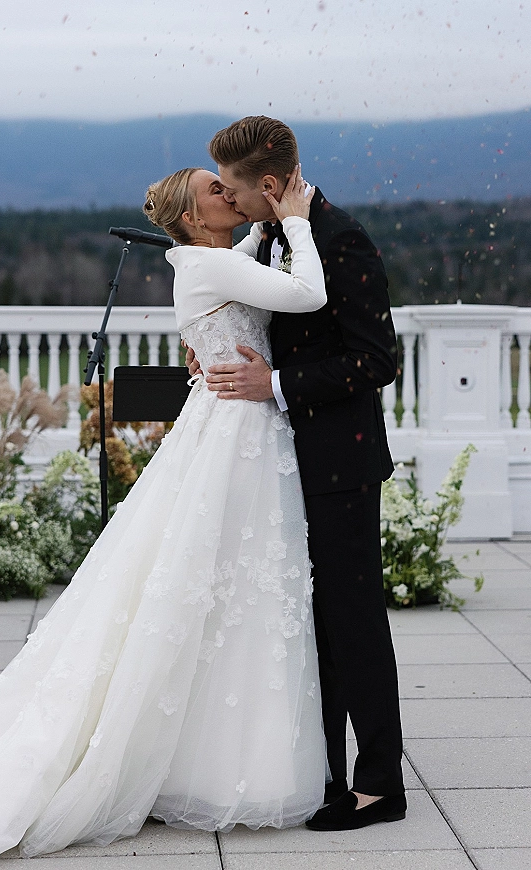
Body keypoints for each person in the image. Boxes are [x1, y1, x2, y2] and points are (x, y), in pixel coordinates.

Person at [0, 166, 328, 870]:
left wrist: (267, 226)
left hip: (235, 430)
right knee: (230, 590)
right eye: (215, 190)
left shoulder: (209, 260)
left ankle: (214, 759)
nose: (228, 193)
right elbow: (307, 295)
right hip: (237, 441)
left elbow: (247, 266)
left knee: (236, 598)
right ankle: (216, 764)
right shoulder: (211, 264)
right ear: (191, 216)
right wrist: (299, 219)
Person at [186, 116, 406, 831]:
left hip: (340, 462)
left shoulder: (340, 239)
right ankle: (328, 775)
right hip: (283, 461)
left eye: (238, 190)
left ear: (273, 186)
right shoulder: (276, 235)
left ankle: (380, 786)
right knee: (310, 626)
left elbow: (379, 361)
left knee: (354, 621)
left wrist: (277, 384)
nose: (231, 198)